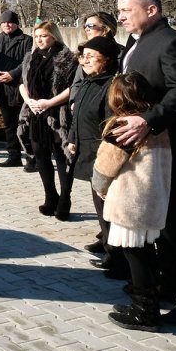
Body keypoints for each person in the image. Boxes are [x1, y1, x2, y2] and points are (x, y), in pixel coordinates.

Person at [113, 0, 176, 325]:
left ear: (151, 10)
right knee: (162, 225)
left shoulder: (173, 43)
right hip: (150, 152)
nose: (120, 16)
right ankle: (167, 286)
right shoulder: (134, 43)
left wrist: (148, 121)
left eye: (126, 9)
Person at [93, 71, 172, 332]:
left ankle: (144, 311)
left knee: (134, 254)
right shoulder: (156, 125)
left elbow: (106, 166)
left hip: (130, 201)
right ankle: (149, 299)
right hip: (153, 199)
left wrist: (100, 187)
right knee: (146, 251)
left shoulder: (123, 126)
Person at [65, 35, 123, 276]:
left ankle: (117, 258)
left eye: (91, 56)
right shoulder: (90, 82)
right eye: (83, 56)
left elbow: (111, 126)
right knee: (100, 207)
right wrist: (72, 139)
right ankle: (110, 250)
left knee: (108, 208)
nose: (84, 61)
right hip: (87, 153)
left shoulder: (111, 87)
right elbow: (78, 115)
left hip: (103, 157)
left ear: (107, 60)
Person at [19, 20, 78, 219]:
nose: (39, 40)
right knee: (41, 156)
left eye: (43, 36)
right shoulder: (31, 57)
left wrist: (49, 102)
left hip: (57, 114)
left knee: (61, 158)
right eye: (36, 36)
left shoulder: (67, 57)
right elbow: (22, 83)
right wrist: (29, 101)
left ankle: (65, 199)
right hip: (36, 113)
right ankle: (50, 196)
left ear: (54, 36)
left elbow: (73, 88)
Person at [0, 11, 33, 169]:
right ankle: (14, 156)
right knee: (9, 126)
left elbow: (27, 61)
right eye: (4, 22)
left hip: (19, 89)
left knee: (26, 124)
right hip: (2, 90)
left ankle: (31, 158)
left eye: (10, 22)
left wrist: (12, 74)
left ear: (17, 23)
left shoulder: (27, 40)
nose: (7, 24)